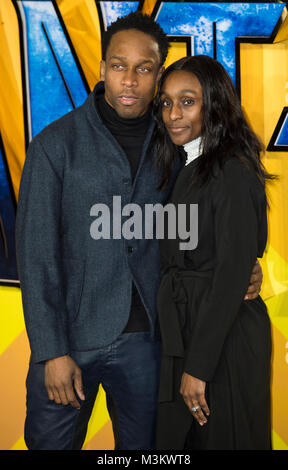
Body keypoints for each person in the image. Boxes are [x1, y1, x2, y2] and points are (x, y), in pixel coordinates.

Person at [15, 12, 263, 451]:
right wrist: (52, 352)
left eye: (143, 68)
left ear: (158, 74)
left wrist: (242, 267)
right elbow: (36, 257)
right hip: (72, 339)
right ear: (102, 69)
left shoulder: (176, 141)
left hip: (152, 342)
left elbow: (206, 220)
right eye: (118, 66)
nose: (129, 80)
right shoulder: (55, 145)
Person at [153, 55, 273, 450]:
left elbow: (230, 277)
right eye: (167, 102)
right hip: (189, 330)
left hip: (226, 341)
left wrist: (198, 368)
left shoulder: (230, 172)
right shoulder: (185, 165)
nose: (173, 113)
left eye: (188, 101)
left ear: (215, 104)